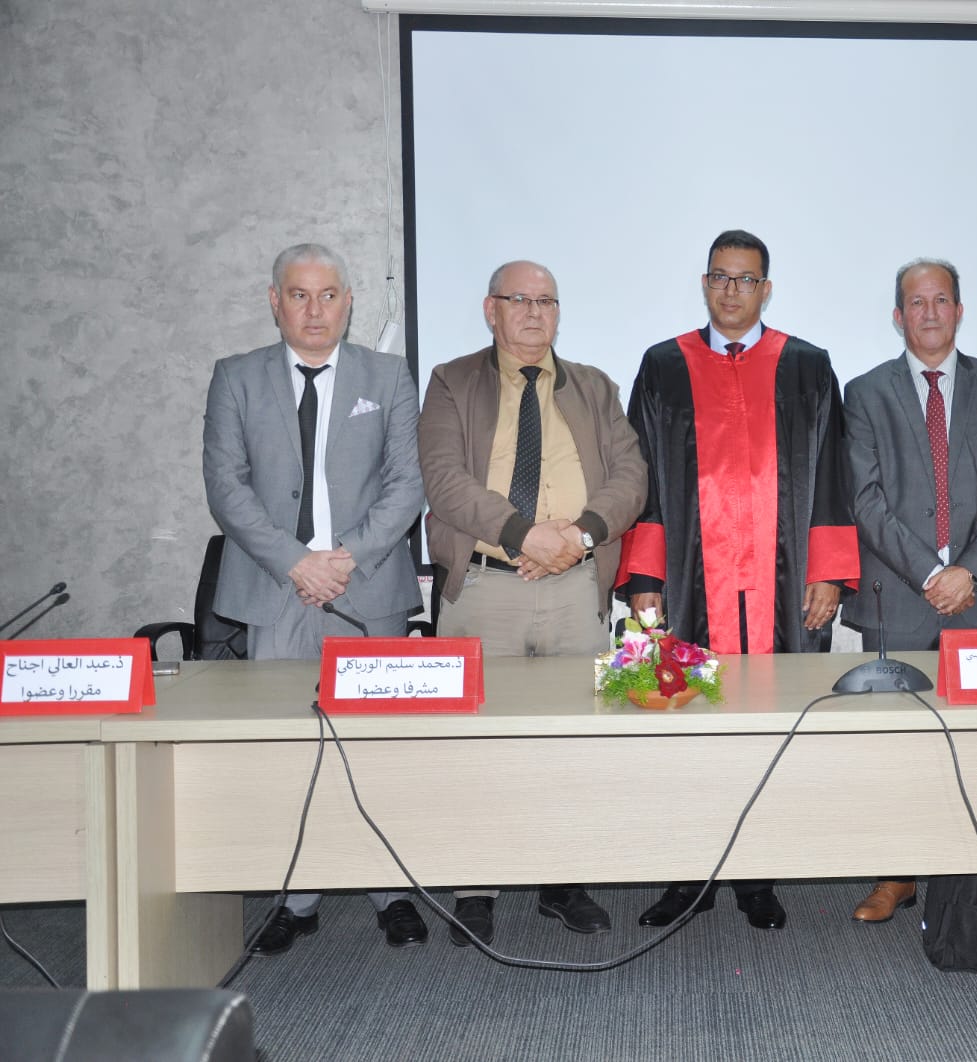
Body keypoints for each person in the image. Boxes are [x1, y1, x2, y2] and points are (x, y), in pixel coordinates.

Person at [618, 228, 859, 930]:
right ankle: (684, 875)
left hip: (785, 584)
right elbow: (641, 477)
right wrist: (644, 576)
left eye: (745, 279)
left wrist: (828, 574)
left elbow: (833, 474)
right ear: (704, 283)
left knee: (774, 725)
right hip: (687, 583)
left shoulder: (807, 365)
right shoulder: (664, 365)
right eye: (720, 277)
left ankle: (758, 876)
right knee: (677, 718)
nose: (732, 290)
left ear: (766, 288)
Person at [202, 243, 428, 953]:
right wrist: (296, 563)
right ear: (274, 302)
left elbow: (408, 484)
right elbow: (226, 488)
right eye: (298, 295)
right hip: (277, 592)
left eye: (328, 295)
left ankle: (392, 892)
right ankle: (295, 899)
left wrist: (345, 559)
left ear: (349, 302)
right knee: (288, 750)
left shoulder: (388, 376)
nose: (314, 309)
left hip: (368, 589)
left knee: (377, 749)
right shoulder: (235, 377)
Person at [417, 260, 647, 943]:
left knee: (576, 743)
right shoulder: (452, 382)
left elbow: (632, 476)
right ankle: (476, 887)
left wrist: (579, 536)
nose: (534, 312)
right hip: (486, 588)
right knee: (475, 746)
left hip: (575, 588)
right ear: (491, 309)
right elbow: (443, 479)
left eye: (546, 301)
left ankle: (562, 880)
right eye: (519, 299)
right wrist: (524, 534)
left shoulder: (595, 387)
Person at [841, 259, 977, 922]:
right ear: (898, 316)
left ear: (959, 310)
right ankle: (895, 874)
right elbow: (865, 499)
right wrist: (931, 574)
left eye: (941, 299)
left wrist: (969, 573)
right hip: (899, 600)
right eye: (916, 302)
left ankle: (974, 880)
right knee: (895, 750)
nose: (929, 312)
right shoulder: (865, 393)